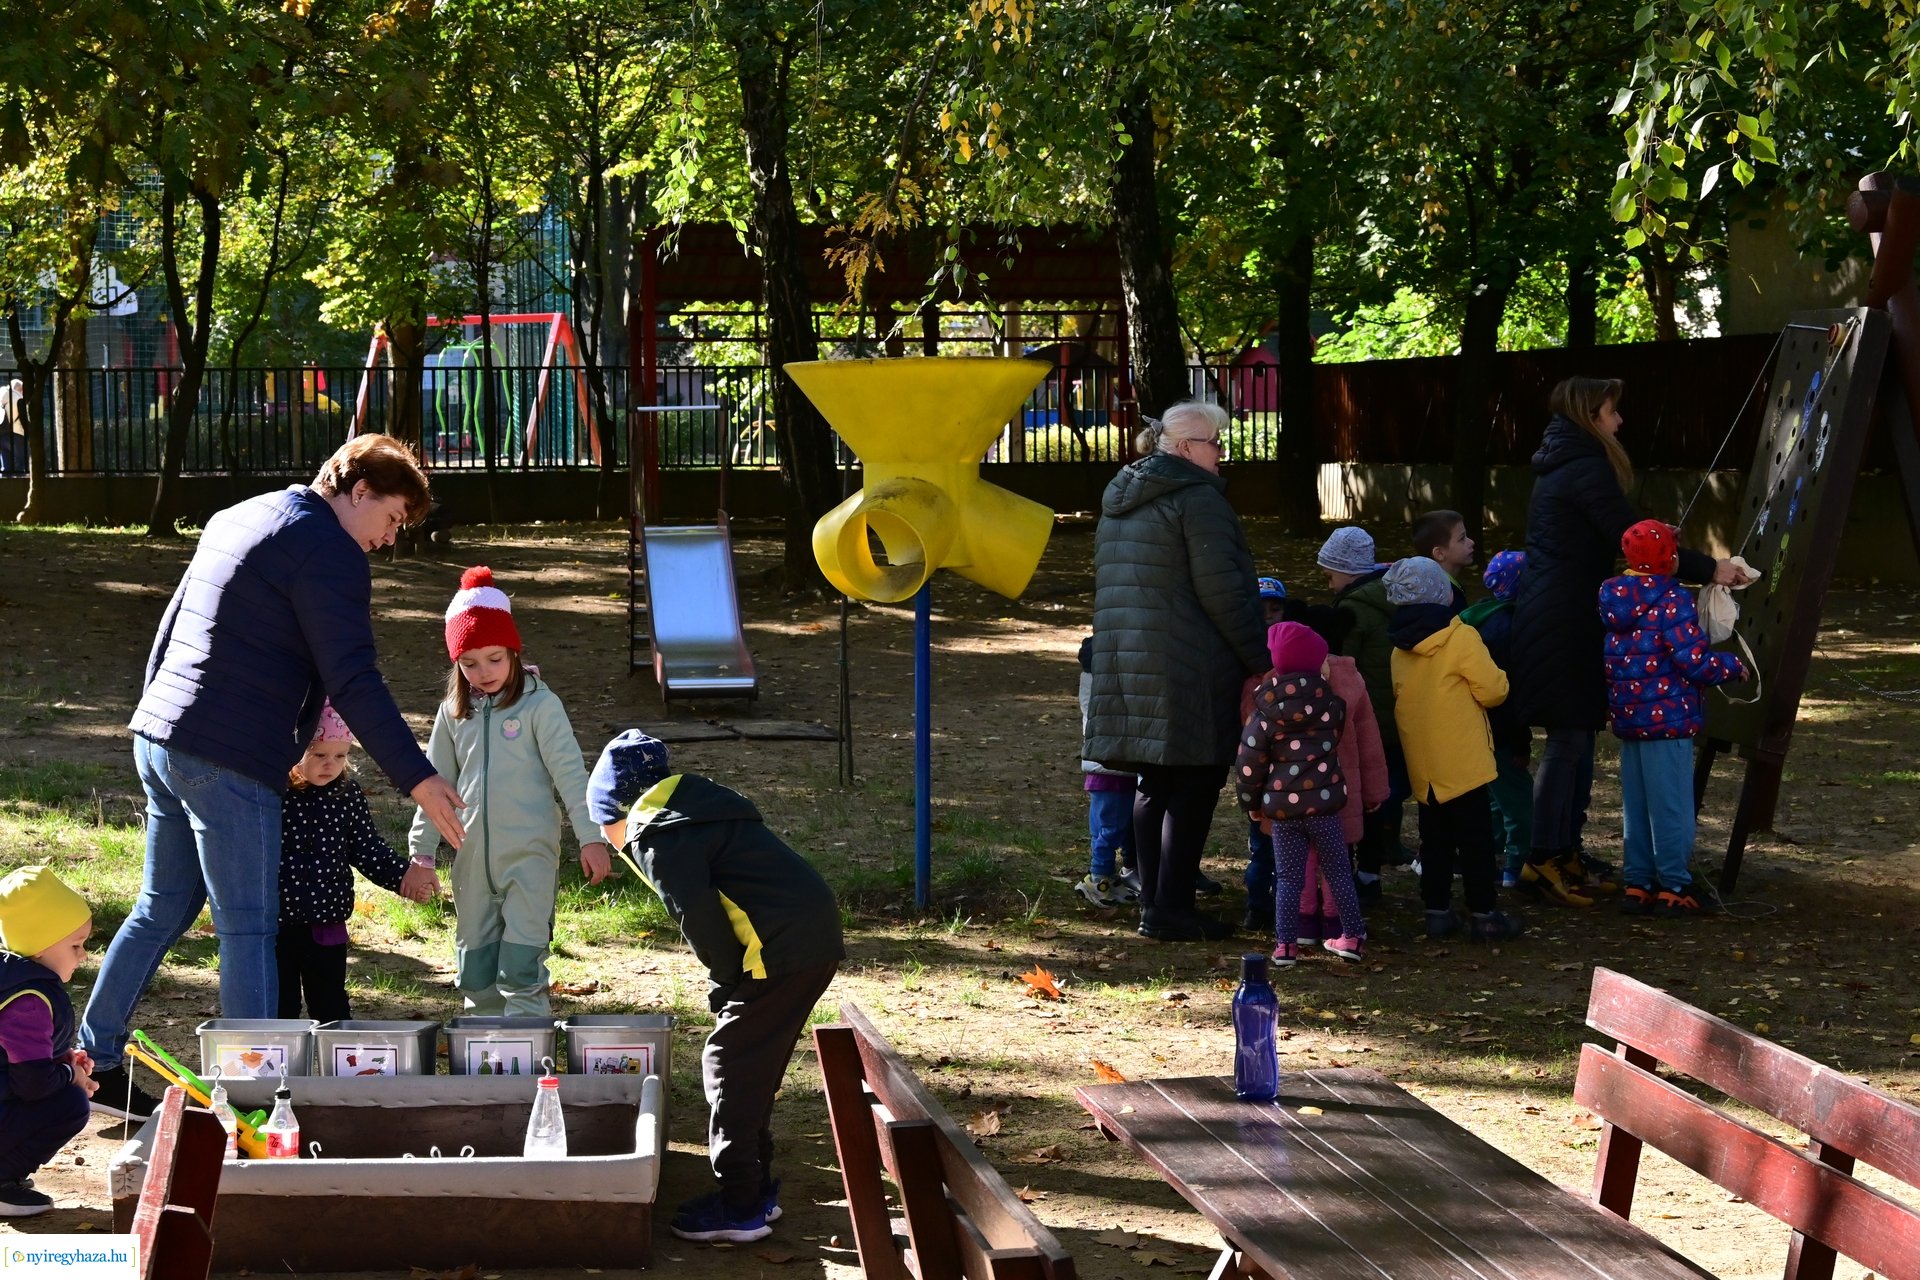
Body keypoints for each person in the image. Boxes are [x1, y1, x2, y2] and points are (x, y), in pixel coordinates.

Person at [83, 435, 467, 1122]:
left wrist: (153, 717)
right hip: (226, 759)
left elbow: (172, 627)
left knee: (160, 908)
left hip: (163, 737)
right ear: (358, 491)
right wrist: (417, 777)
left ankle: (94, 1061)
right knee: (250, 930)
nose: (389, 539)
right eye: (393, 519)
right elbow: (353, 676)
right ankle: (258, 1110)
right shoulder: (330, 553)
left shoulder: (244, 513)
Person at [586, 730, 843, 1245]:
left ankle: (740, 1205)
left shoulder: (656, 833)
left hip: (780, 951)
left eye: (602, 825)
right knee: (753, 1063)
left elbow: (697, 916)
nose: (609, 839)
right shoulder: (698, 811)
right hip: (809, 939)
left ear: (618, 810)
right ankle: (757, 1191)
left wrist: (729, 980)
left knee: (728, 1065)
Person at [1507, 377, 1751, 909]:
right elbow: (1625, 536)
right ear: (1591, 414)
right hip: (1562, 617)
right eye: (1613, 412)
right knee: (1568, 741)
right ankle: (1543, 858)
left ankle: (1563, 851)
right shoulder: (1584, 465)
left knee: (1577, 738)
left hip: (1561, 610)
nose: (1619, 422)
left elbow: (1623, 533)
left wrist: (1654, 536)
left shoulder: (1567, 461)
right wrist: (1713, 568)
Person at [1085, 401, 1268, 942]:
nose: (1222, 455)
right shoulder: (1196, 500)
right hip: (1190, 661)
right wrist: (1262, 660)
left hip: (1130, 658)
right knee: (1195, 781)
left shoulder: (1123, 496)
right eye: (1216, 444)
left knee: (1153, 781)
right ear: (1187, 448)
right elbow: (1225, 592)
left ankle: (1156, 903)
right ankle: (1172, 908)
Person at [408, 566, 611, 1016]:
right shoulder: (452, 713)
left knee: (521, 965)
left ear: (514, 652)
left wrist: (592, 837)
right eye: (470, 663)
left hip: (529, 856)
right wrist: (421, 854)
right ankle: (484, 1064)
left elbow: (571, 776)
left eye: (495, 658)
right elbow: (432, 786)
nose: (484, 672)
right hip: (470, 859)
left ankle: (528, 1062)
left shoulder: (541, 704)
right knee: (475, 969)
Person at [1601, 521, 1748, 917]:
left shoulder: (1614, 596)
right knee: (1671, 806)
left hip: (1631, 719)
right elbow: (1693, 660)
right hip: (1669, 719)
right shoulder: (1672, 599)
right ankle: (1674, 885)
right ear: (1671, 559)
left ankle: (1638, 882)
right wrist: (1732, 666)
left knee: (1637, 804)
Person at [1385, 558, 1526, 943]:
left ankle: (1437, 910)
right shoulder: (1460, 637)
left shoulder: (1400, 648)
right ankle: (1484, 912)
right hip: (1463, 761)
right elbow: (1494, 690)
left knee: (1435, 840)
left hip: (1425, 763)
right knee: (1476, 840)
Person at [279, 703, 441, 1022]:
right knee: (278, 1007)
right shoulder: (272, 794)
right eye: (319, 755)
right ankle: (279, 1070)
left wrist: (404, 878)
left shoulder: (346, 794)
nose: (330, 764)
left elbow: (367, 849)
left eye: (339, 756)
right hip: (275, 924)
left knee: (331, 1006)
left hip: (326, 923)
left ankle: (339, 1069)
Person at [1235, 622, 1371, 966]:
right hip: (1325, 804)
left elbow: (1249, 762)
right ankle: (1352, 936)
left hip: (1283, 809)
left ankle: (1285, 945)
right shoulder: (1332, 704)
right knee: (1339, 871)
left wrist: (1251, 804)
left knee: (1289, 877)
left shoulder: (1264, 708)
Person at [0, 866, 98, 1217]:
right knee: (70, 1104)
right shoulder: (29, 1002)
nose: (83, 955)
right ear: (41, 946)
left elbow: (19, 1057)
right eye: (75, 945)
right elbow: (33, 1084)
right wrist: (71, 1075)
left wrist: (63, 1058)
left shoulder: (15, 982)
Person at [1319, 526, 1406, 896]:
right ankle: (1373, 870)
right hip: (1391, 714)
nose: (1329, 584)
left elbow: (1341, 666)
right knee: (1381, 792)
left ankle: (1350, 875)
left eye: (1330, 574)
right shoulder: (1393, 598)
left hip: (1360, 717)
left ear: (1347, 570)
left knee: (1355, 798)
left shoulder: (1353, 610)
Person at [1461, 551, 1533, 888]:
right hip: (1501, 732)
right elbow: (1509, 692)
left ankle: (1486, 855)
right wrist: (1520, 741)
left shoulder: (1477, 618)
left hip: (1474, 728)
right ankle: (1517, 865)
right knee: (1518, 802)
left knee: (1492, 797)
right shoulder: (1510, 628)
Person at [1075, 635, 1139, 909]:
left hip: (1120, 768)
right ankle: (1097, 876)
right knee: (1108, 829)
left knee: (1121, 827)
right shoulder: (1097, 686)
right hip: (1108, 771)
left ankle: (1108, 876)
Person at [1411, 509, 1474, 613]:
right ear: (1439, 554)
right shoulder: (1446, 597)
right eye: (1462, 538)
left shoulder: (1440, 587)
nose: (1471, 542)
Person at [0, 378, 24, 475]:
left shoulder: (1, 395)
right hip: (16, 433)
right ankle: (20, 487)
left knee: (6, 466)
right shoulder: (18, 398)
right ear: (20, 389)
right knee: (19, 464)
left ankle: (5, 486)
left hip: (1, 433)